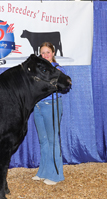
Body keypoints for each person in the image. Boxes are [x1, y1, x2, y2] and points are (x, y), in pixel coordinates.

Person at [32, 42, 67, 185]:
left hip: (51, 105)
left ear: (53, 53)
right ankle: (43, 172)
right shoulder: (37, 69)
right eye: (43, 53)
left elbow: (64, 84)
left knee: (53, 140)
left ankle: (56, 175)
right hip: (38, 106)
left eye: (48, 52)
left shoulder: (58, 69)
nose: (45, 55)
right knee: (43, 140)